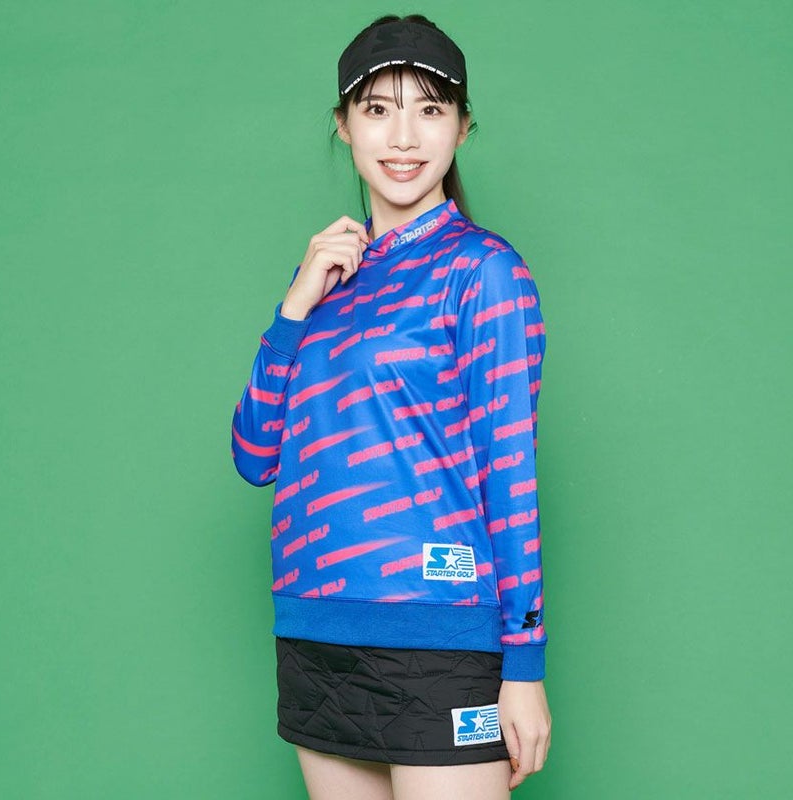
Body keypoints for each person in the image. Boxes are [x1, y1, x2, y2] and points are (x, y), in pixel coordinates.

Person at [231, 13, 552, 799]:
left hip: (439, 637)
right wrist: (292, 312)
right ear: (343, 126)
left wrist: (524, 665)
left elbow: (510, 473)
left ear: (463, 127)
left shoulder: (484, 272)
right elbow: (255, 456)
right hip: (314, 633)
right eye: (377, 109)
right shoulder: (323, 283)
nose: (403, 136)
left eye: (429, 109)